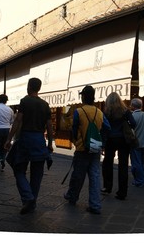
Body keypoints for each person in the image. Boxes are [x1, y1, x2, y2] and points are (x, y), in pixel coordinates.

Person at [3, 78, 55, 215]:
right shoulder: (45, 105)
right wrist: (50, 144)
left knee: (18, 169)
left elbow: (18, 120)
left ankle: (28, 197)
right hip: (39, 140)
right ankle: (31, 203)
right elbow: (49, 126)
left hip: (26, 138)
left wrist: (9, 139)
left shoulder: (25, 101)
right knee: (37, 174)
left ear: (29, 87)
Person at [64, 85, 105, 214]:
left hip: (82, 148)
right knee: (95, 176)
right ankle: (95, 205)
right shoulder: (100, 112)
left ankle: (72, 196)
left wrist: (77, 141)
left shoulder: (79, 112)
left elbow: (74, 129)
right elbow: (107, 128)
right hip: (95, 148)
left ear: (83, 97)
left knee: (78, 175)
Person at [101, 92, 132, 200]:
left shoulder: (106, 112)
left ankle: (107, 187)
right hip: (123, 139)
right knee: (123, 165)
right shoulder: (125, 111)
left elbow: (103, 126)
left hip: (110, 139)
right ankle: (122, 192)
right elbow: (133, 123)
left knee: (107, 163)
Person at [128, 98, 144, 188]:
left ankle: (139, 180)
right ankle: (143, 178)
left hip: (136, 143)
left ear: (133, 106)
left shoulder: (132, 116)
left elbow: (130, 131)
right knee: (142, 161)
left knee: (136, 163)